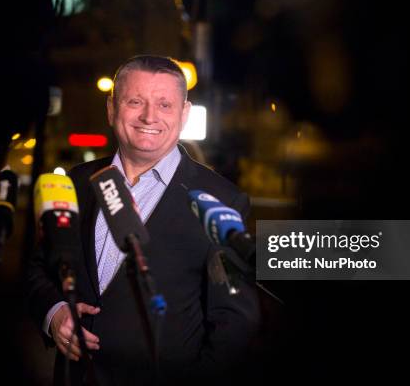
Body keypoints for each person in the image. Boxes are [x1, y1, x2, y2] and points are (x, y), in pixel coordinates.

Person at [26, 55, 260, 386]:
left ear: (184, 114)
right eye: (135, 101)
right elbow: (38, 269)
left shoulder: (221, 200)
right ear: (111, 108)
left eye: (165, 104)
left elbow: (235, 320)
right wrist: (53, 313)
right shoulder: (74, 184)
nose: (149, 116)